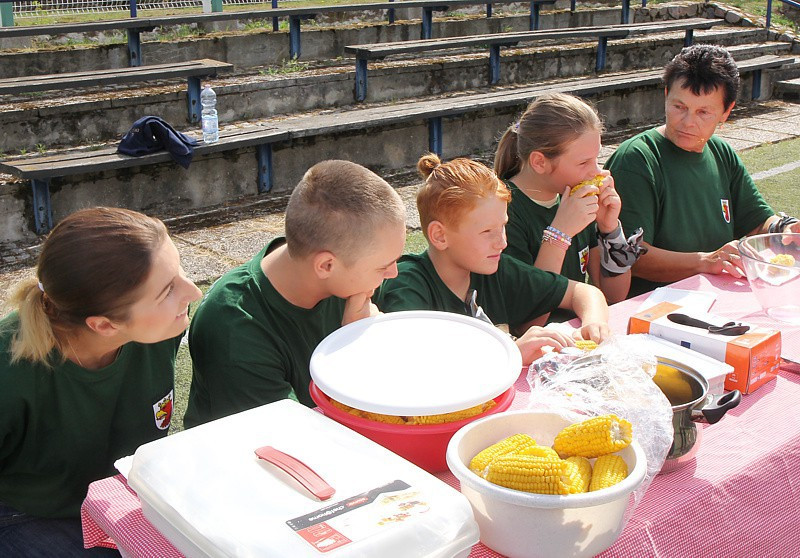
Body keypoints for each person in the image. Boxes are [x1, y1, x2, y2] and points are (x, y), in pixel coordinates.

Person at [0, 207, 202, 557]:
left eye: (180, 268)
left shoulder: (161, 330)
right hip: (28, 515)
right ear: (105, 325)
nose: (194, 292)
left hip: (122, 496)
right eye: (168, 289)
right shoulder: (9, 373)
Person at [185, 160, 406, 427]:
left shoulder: (350, 278)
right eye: (384, 265)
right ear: (326, 265)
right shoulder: (234, 324)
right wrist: (353, 349)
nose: (393, 273)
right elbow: (288, 441)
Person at [375, 154, 610, 365]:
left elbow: (585, 293)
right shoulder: (407, 284)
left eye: (503, 226)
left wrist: (594, 323)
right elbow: (417, 364)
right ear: (440, 235)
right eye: (487, 232)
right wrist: (511, 353)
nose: (502, 242)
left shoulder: (495, 268)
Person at [605, 44, 800, 297]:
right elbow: (630, 257)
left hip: (714, 300)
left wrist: (784, 229)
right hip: (653, 310)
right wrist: (705, 261)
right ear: (666, 95)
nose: (688, 122)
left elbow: (756, 221)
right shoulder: (637, 159)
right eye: (679, 107)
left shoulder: (721, 152)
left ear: (726, 112)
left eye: (703, 112)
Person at [495, 93, 645, 320]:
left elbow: (614, 295)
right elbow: (528, 322)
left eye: (596, 158)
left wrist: (610, 228)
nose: (595, 171)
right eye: (584, 162)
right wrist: (559, 234)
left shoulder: (575, 197)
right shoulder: (502, 211)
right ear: (539, 162)